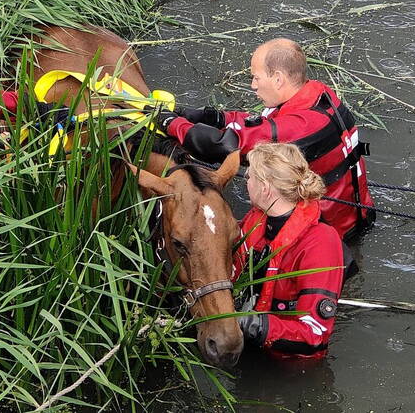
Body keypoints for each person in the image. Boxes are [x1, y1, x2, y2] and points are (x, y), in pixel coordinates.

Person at [155, 38, 374, 240]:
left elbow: (221, 145)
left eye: (256, 77)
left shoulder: (301, 127)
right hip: (353, 213)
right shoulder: (316, 94)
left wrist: (168, 123)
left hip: (328, 231)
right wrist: (209, 116)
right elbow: (259, 125)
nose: (253, 85)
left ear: (278, 79)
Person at [232, 143, 344, 358]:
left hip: (289, 363)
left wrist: (250, 324)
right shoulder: (257, 219)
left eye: (250, 177)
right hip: (248, 338)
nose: (246, 182)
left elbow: (314, 333)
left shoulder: (321, 243)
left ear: (264, 187)